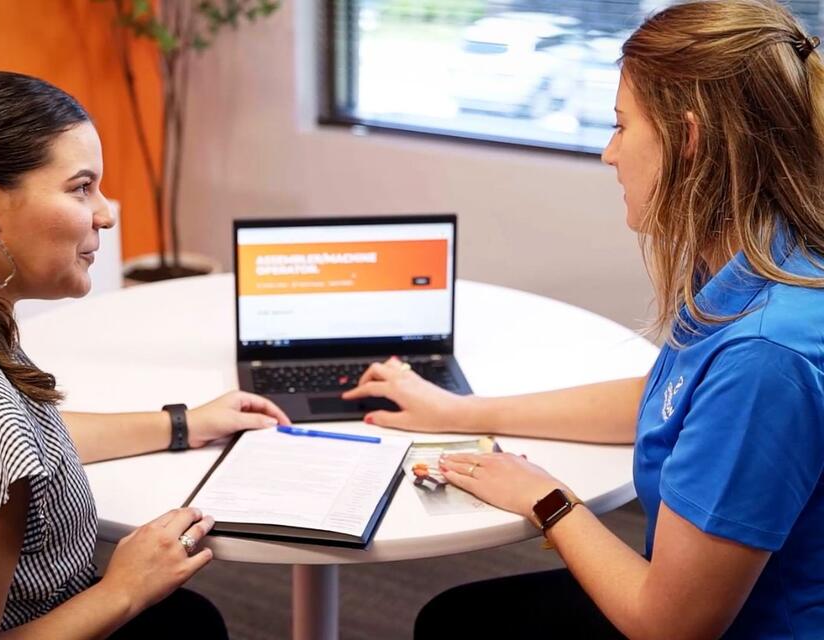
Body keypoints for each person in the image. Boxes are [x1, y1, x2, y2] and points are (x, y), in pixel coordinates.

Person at [344, 1, 824, 637]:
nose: (608, 153)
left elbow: (669, 624)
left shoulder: (764, 356)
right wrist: (460, 412)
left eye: (622, 127)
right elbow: (668, 399)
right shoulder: (764, 259)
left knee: (458, 624)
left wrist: (544, 498)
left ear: (688, 139)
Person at [0, 71, 290, 640]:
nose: (106, 213)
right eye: (81, 187)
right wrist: (124, 589)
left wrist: (184, 423)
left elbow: (16, 446)